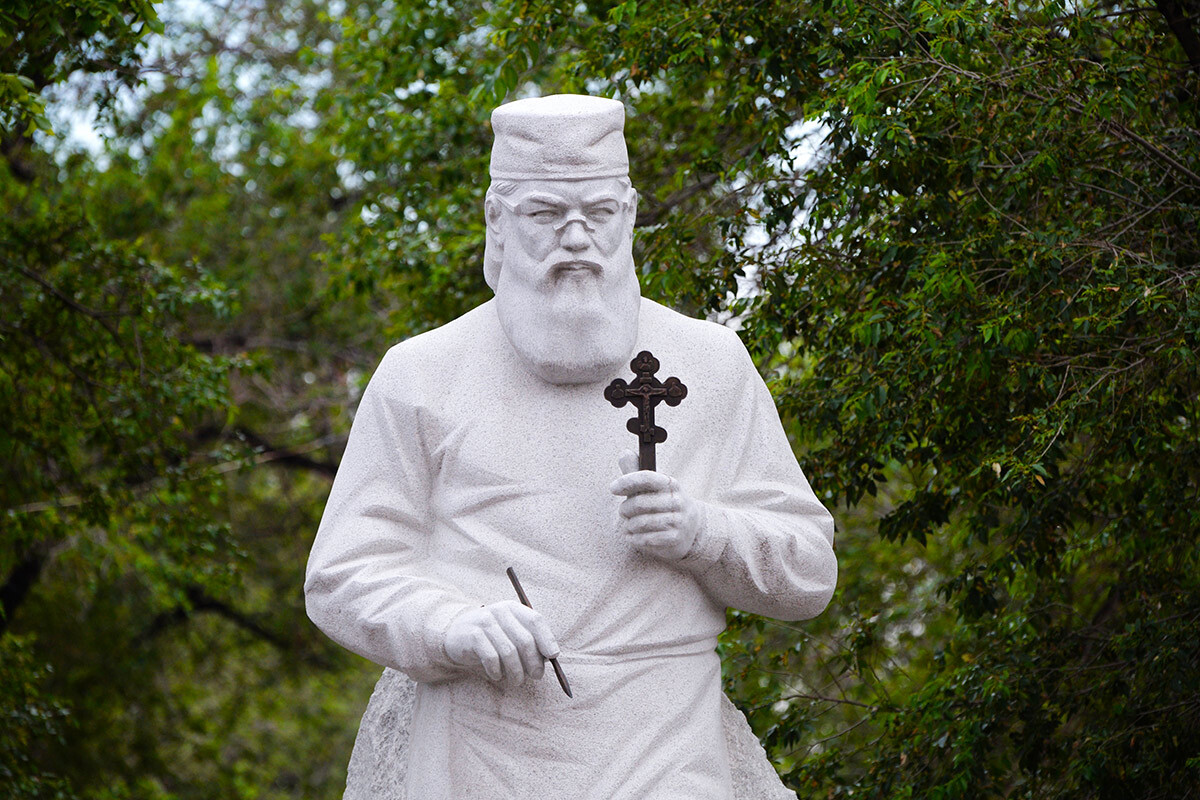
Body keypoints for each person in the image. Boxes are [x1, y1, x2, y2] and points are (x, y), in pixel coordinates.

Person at [305, 94, 837, 800]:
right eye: (546, 214)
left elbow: (808, 574)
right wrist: (453, 626)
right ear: (498, 220)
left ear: (631, 213)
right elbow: (341, 577)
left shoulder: (712, 363)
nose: (577, 238)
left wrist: (702, 532)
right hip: (482, 751)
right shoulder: (421, 374)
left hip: (668, 746)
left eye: (599, 214)